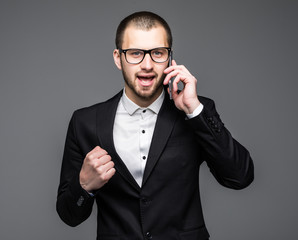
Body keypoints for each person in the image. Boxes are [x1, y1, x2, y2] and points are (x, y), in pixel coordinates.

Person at [56, 11, 254, 240]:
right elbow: (69, 216)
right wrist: (84, 186)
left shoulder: (195, 112)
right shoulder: (85, 122)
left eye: (158, 53)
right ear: (118, 58)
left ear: (170, 58)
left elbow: (240, 177)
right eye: (135, 53)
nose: (147, 65)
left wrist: (195, 111)